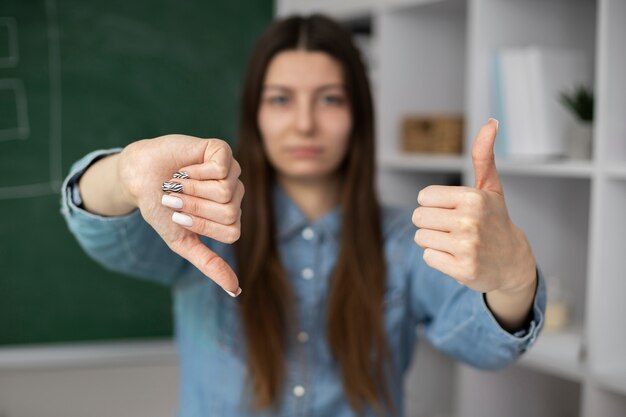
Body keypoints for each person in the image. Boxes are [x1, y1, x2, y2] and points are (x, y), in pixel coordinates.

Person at [61, 14, 545, 417]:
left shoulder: (406, 239)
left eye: (330, 98)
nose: (305, 123)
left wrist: (515, 276)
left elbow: (485, 344)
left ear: (359, 115)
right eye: (281, 99)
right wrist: (124, 172)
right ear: (255, 114)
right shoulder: (206, 220)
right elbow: (102, 232)